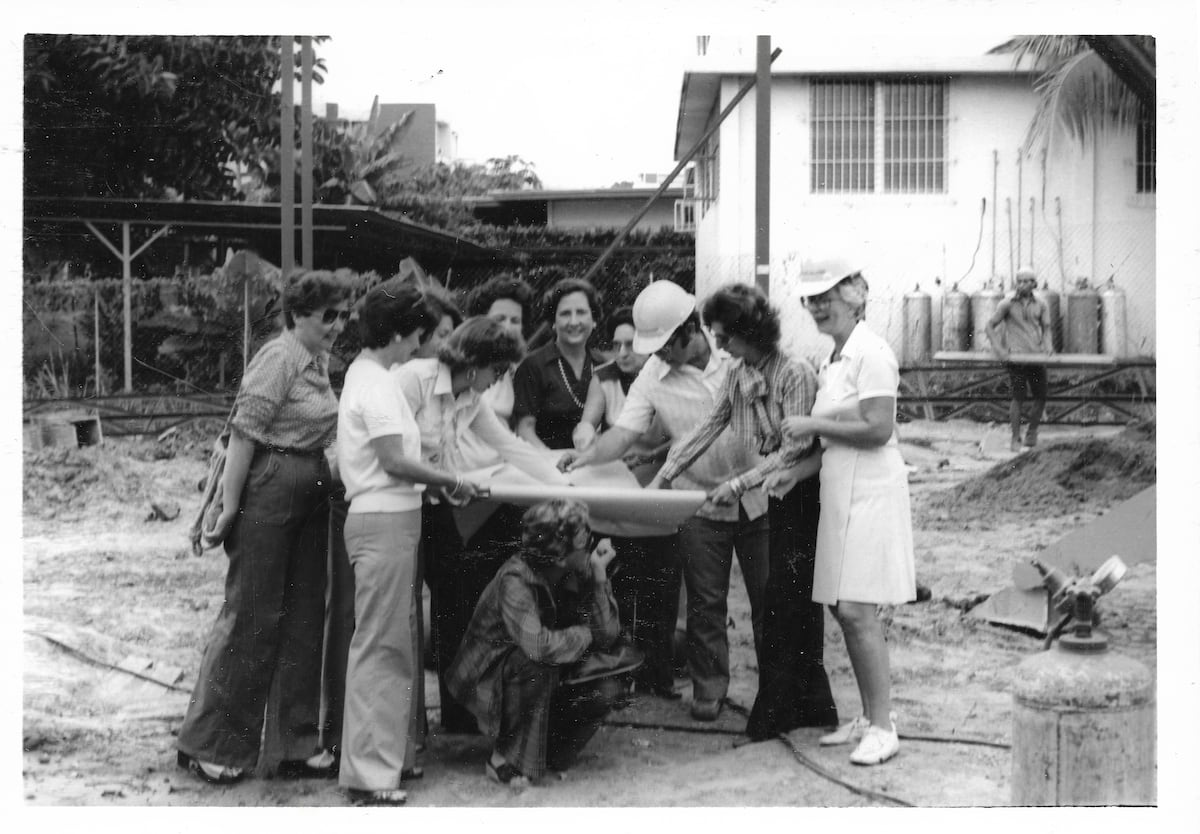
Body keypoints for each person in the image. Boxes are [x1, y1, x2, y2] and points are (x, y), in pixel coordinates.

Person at [562, 280, 766, 722]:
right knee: (705, 602)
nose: (657, 355)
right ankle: (710, 689)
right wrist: (584, 459)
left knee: (765, 596)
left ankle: (775, 690)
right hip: (697, 499)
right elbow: (621, 435)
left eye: (664, 346)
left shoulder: (737, 356)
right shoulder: (654, 376)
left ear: (688, 331)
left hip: (757, 492)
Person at [177, 269, 351, 784]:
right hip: (270, 482)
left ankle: (294, 744)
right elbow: (244, 433)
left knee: (302, 618)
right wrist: (228, 507)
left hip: (311, 485)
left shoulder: (317, 360)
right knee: (253, 613)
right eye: (328, 317)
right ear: (298, 315)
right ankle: (211, 744)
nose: (338, 326)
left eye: (343, 316)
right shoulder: (279, 357)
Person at [651, 283, 838, 739]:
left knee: (787, 606)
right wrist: (667, 474)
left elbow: (794, 452)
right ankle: (784, 706)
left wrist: (735, 485)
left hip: (800, 494)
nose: (718, 345)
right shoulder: (738, 373)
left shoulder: (792, 372)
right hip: (772, 490)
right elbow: (708, 427)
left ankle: (799, 705)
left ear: (749, 331)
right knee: (780, 605)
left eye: (724, 337)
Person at [335, 280, 484, 806]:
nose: (422, 342)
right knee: (380, 646)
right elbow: (394, 461)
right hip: (382, 519)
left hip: (396, 519)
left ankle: (389, 759)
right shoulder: (375, 384)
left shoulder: (375, 376)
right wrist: (450, 481)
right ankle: (369, 775)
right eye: (417, 332)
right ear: (397, 333)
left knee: (397, 644)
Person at [394, 316, 570, 734]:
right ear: (474, 364)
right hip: (396, 506)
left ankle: (458, 711)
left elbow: (510, 446)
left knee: (455, 601)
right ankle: (406, 724)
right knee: (403, 611)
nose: (501, 379)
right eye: (499, 369)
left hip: (435, 506)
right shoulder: (413, 380)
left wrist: (566, 487)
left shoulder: (472, 397)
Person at [784, 262, 916, 766]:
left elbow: (878, 429)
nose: (818, 306)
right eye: (810, 299)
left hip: (873, 490)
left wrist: (813, 422)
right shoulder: (833, 359)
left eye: (828, 295)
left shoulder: (873, 353)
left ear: (857, 295)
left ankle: (884, 727)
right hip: (840, 488)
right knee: (844, 608)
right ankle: (866, 716)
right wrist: (795, 474)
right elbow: (833, 440)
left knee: (859, 610)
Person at [446, 499, 624, 786]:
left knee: (607, 688)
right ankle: (503, 758)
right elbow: (538, 647)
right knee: (534, 664)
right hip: (488, 679)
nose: (592, 545)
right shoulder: (515, 578)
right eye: (585, 541)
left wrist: (599, 579)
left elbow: (608, 636)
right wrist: (584, 634)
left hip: (540, 670)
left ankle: (543, 756)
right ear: (559, 556)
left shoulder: (576, 565)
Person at [568, 306, 678, 697]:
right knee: (618, 581)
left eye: (631, 344)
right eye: (616, 344)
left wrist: (651, 456)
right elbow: (589, 421)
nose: (623, 352)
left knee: (660, 586)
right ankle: (616, 671)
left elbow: (683, 436)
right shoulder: (606, 378)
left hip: (660, 487)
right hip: (618, 490)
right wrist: (584, 436)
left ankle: (658, 675)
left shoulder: (668, 377)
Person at [513, 277, 603, 451]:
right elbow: (524, 429)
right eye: (565, 313)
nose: (574, 321)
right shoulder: (533, 366)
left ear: (594, 319)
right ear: (553, 322)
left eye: (581, 312)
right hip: (546, 465)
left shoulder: (603, 364)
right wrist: (551, 463)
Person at [985, 268, 1054, 452]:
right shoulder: (1007, 303)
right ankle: (1015, 438)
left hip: (1036, 356)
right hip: (1015, 357)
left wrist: (1048, 346)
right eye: (1019, 281)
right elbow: (990, 326)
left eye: (1026, 281)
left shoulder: (1041, 304)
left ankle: (1032, 432)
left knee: (1041, 396)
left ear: (1034, 283)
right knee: (1018, 397)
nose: (1022, 285)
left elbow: (1047, 327)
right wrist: (999, 349)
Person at [467, 272, 534, 426]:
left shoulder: (518, 369)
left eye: (515, 321)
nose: (507, 328)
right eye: (500, 319)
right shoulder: (467, 365)